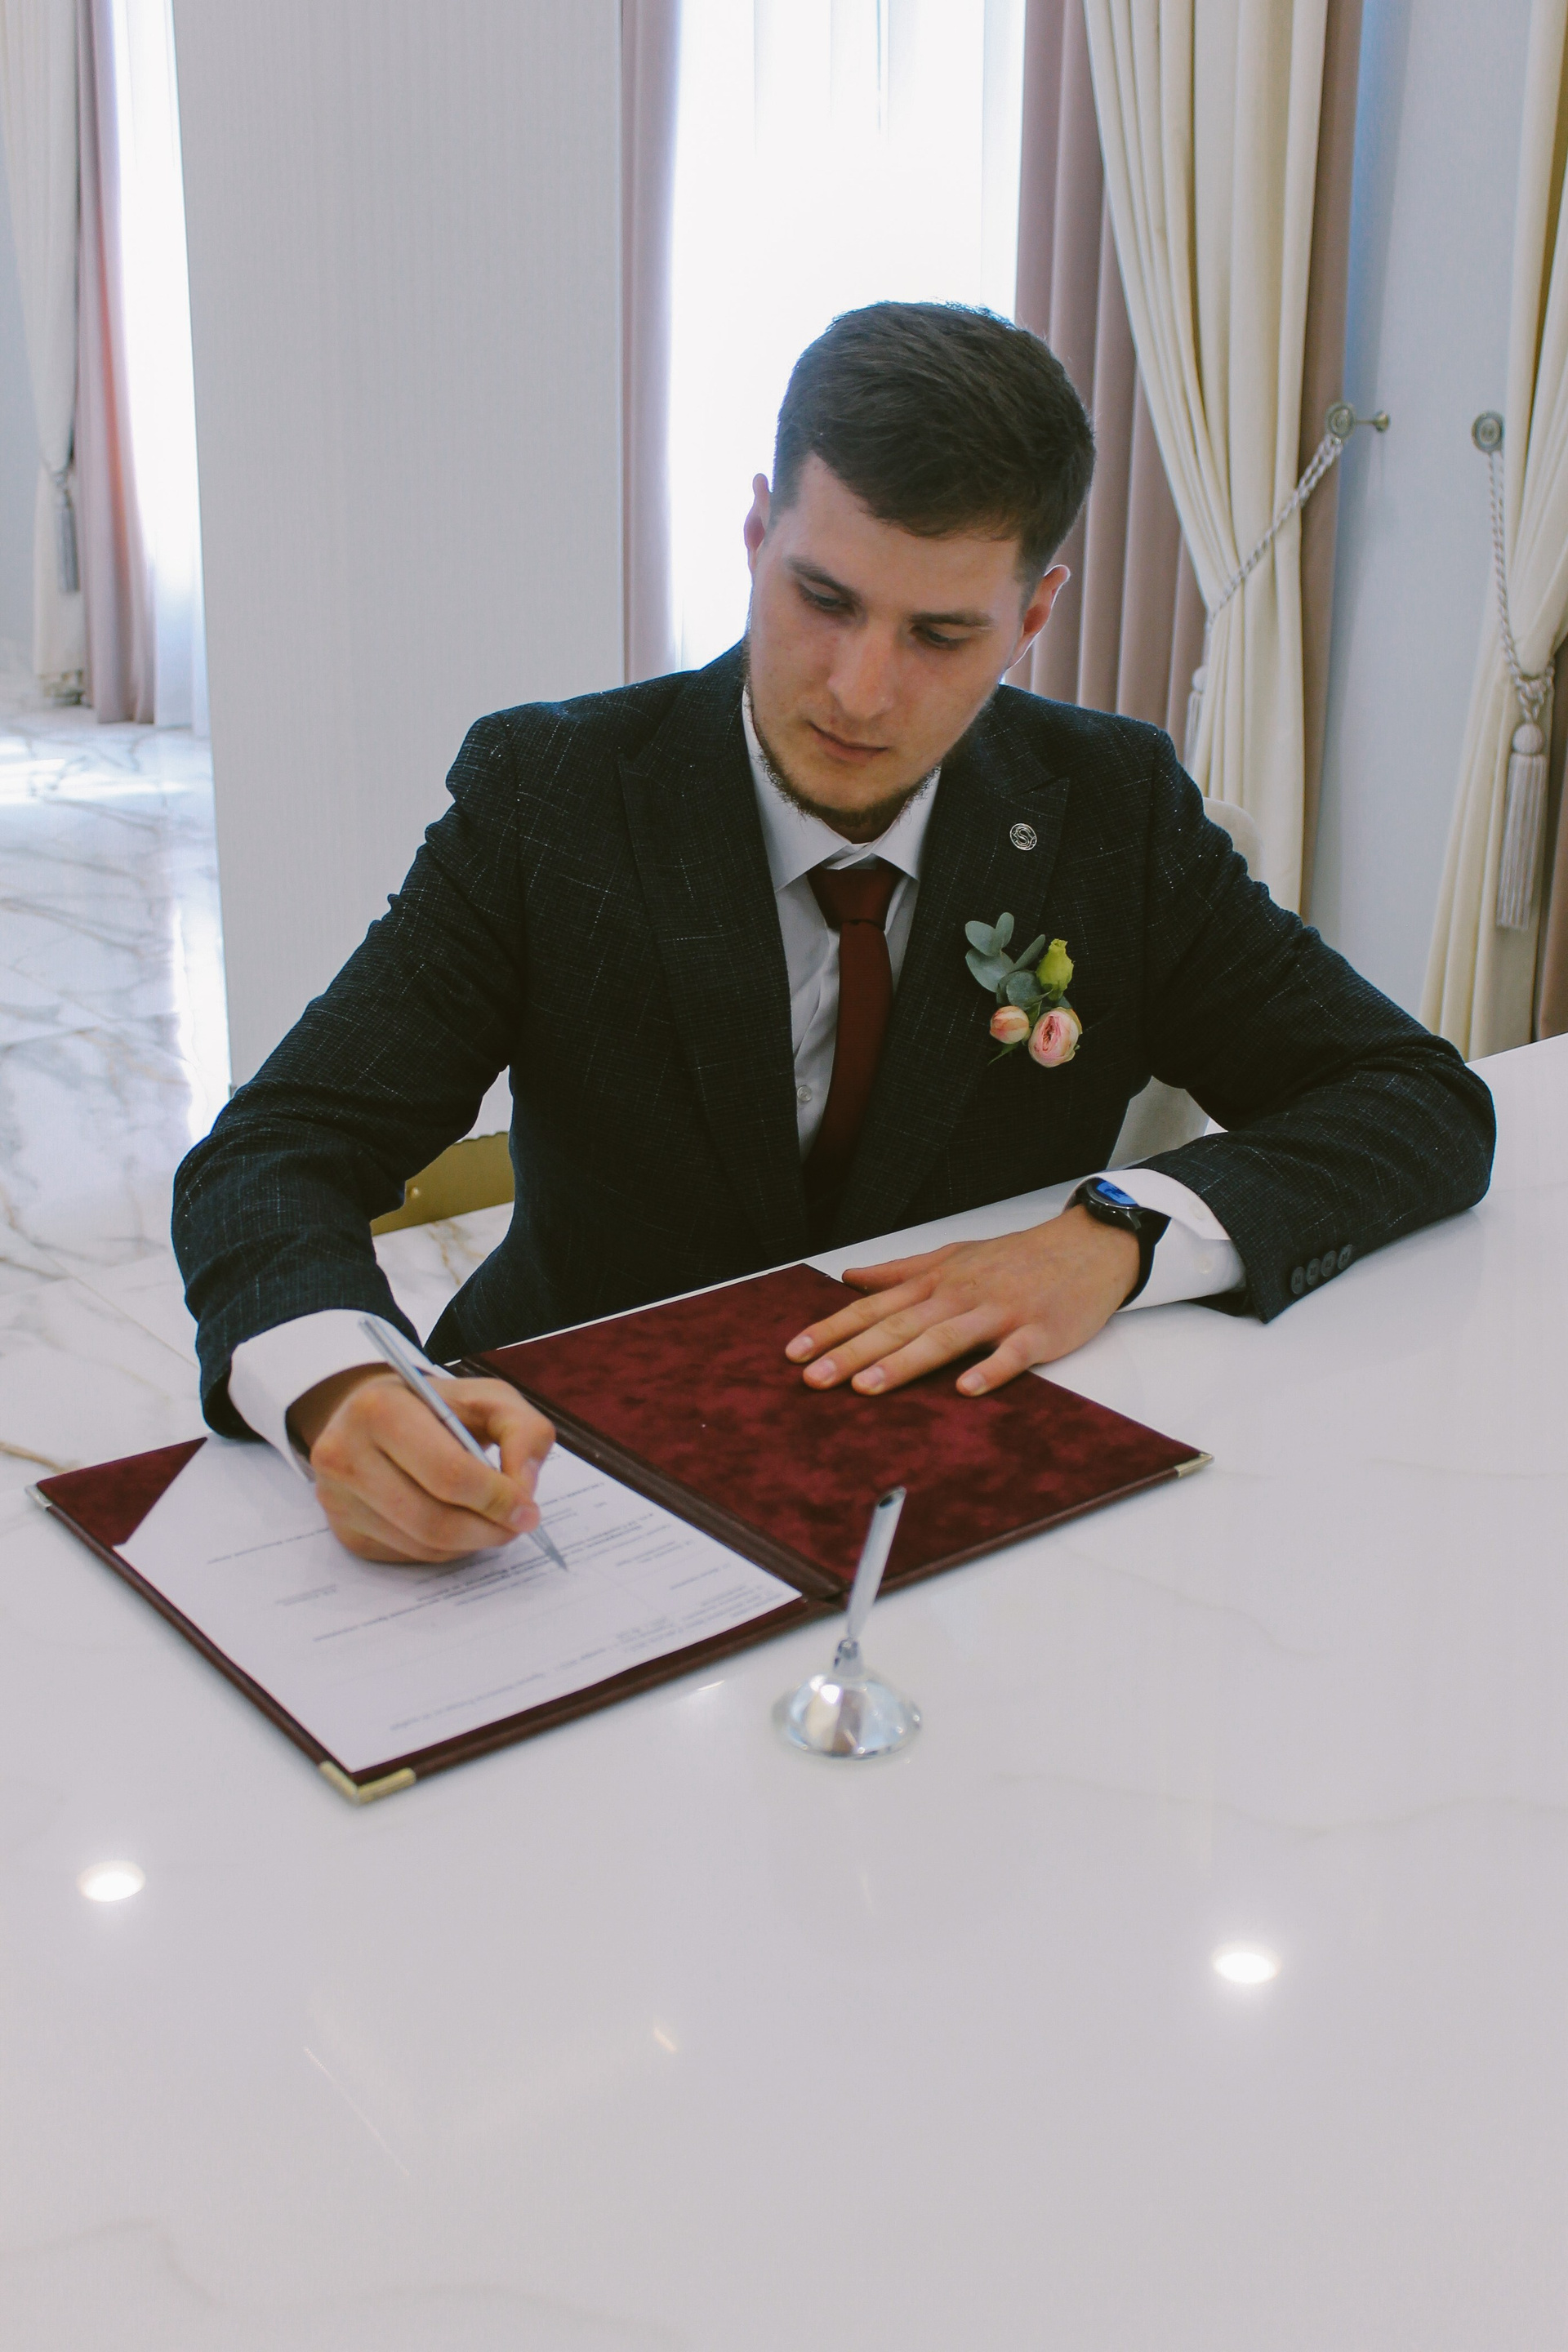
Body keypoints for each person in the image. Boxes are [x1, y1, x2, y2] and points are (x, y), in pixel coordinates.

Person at [174, 301, 1494, 1565]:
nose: (862, 693)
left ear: (1034, 616)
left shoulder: (1113, 812)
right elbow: (280, 1146)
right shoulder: (553, 795)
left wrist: (1114, 1232)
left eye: (941, 634)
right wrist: (340, 1383)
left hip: (959, 1472)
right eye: (824, 598)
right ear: (758, 534)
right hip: (574, 1460)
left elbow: (1412, 1097)